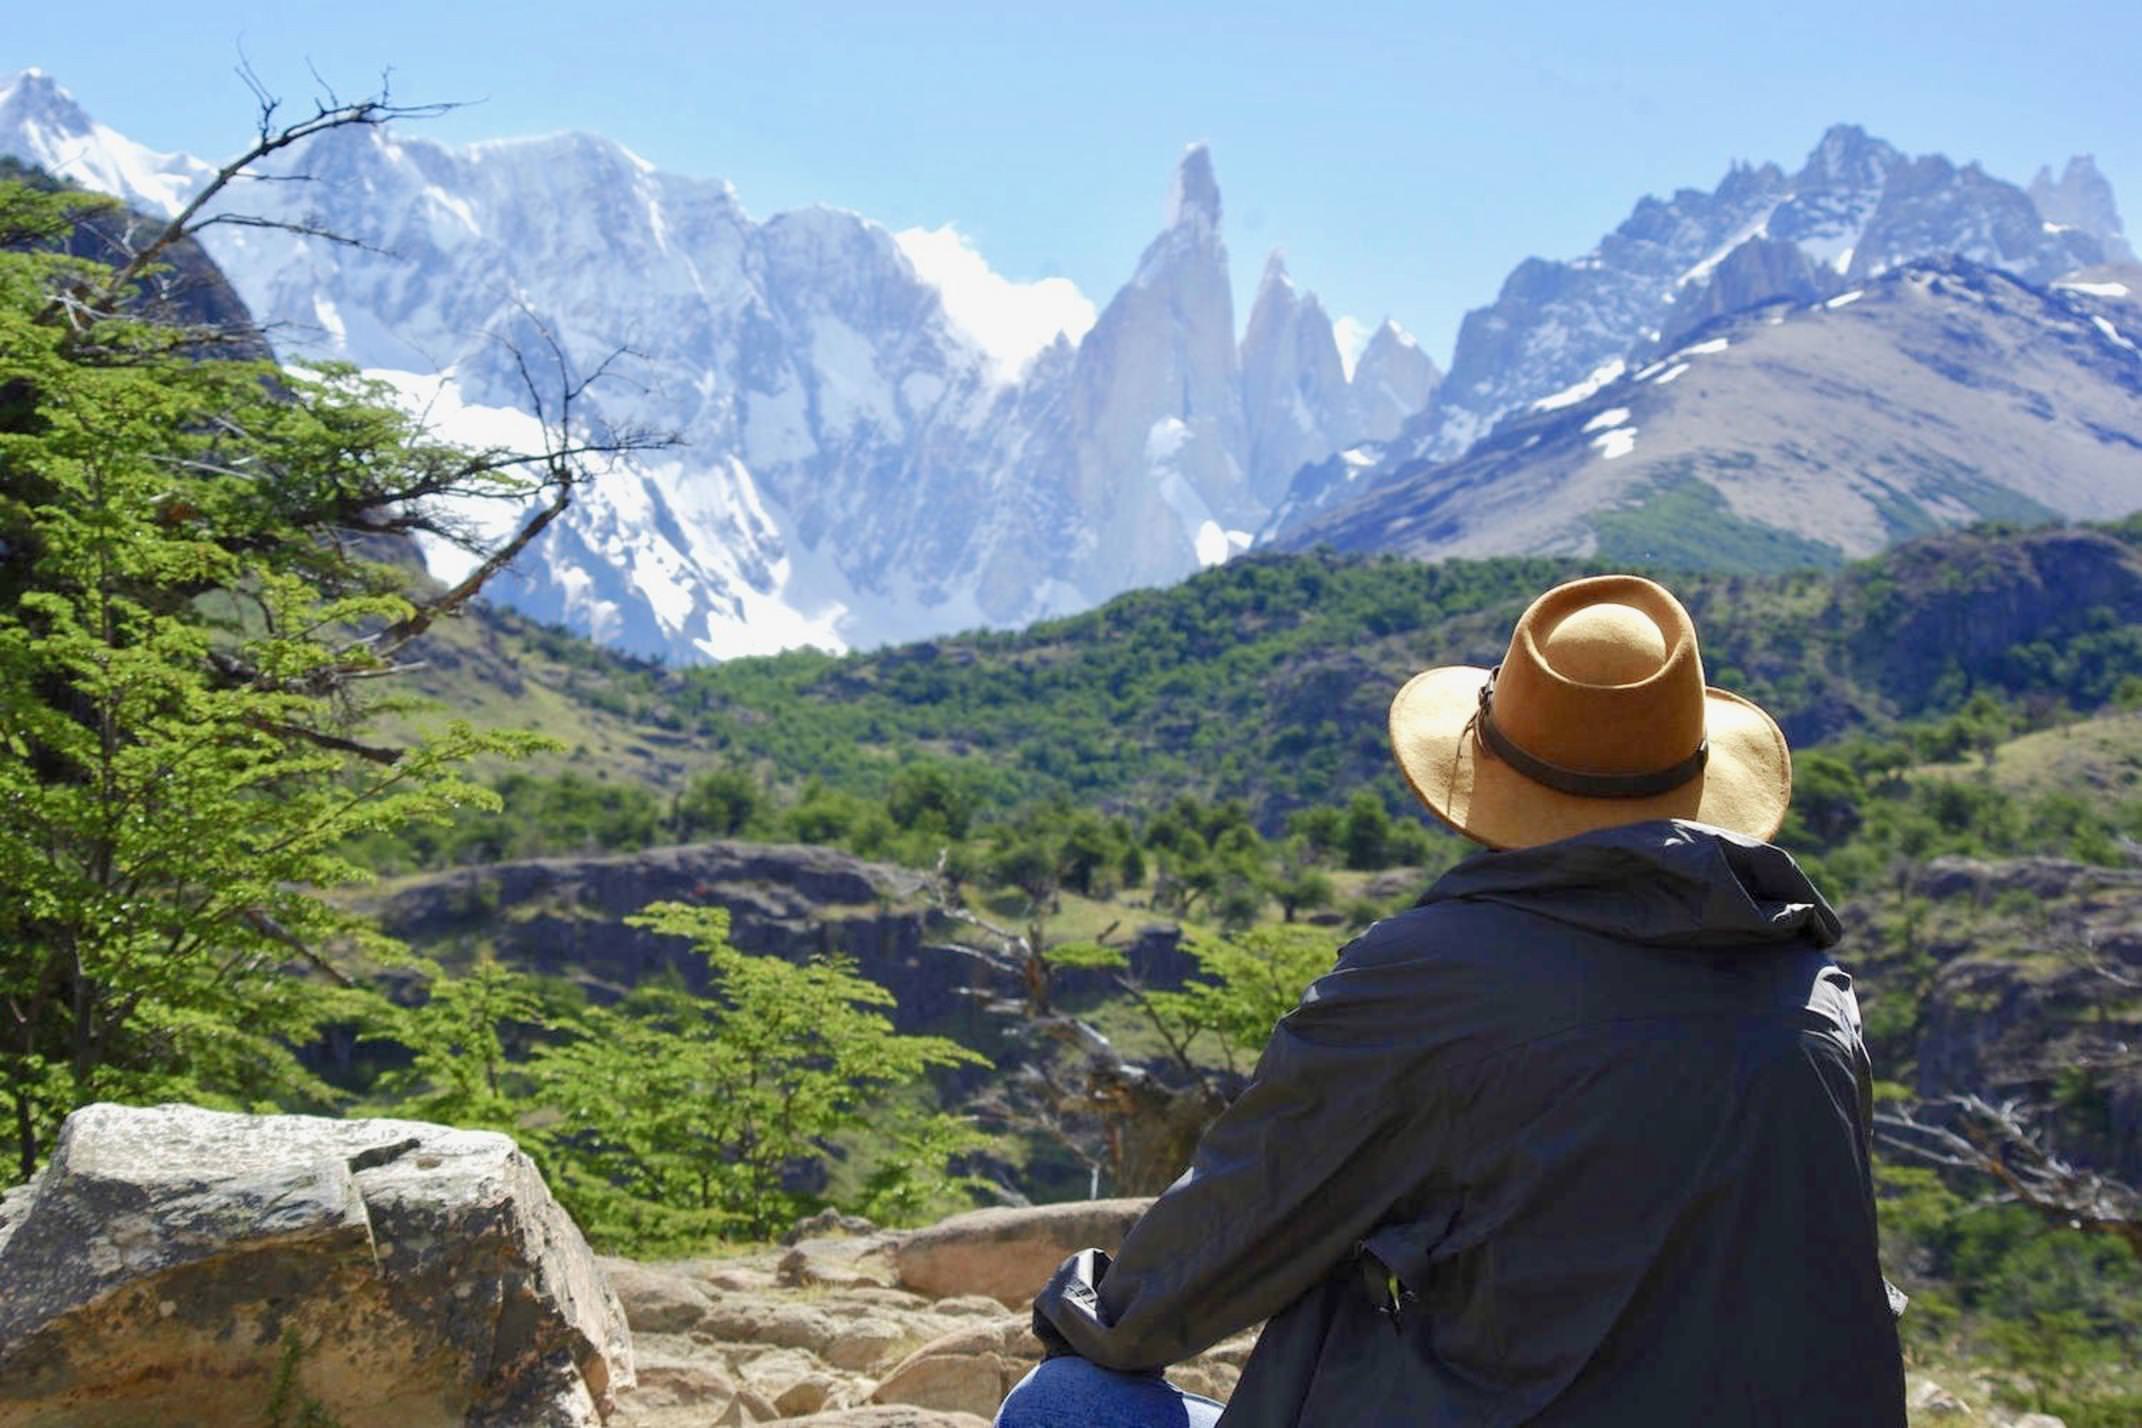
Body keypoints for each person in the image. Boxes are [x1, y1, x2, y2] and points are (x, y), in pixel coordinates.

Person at [995, 574, 1907, 1427]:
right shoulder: (1815, 996)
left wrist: (1088, 1309)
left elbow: (1216, 1250)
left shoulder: (1430, 979)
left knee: (1062, 1403)